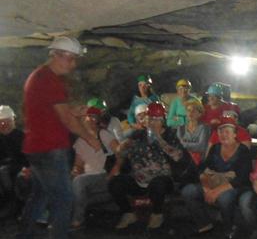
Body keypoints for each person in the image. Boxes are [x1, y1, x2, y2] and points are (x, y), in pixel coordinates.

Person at [15, 37, 101, 239]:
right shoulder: (50, 80)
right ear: (57, 54)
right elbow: (65, 120)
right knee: (63, 199)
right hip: (48, 148)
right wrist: (90, 137)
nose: (72, 64)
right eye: (70, 58)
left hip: (38, 146)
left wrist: (72, 111)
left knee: (39, 197)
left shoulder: (40, 76)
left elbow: (54, 111)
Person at [109, 101, 183, 231]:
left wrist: (159, 139)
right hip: (140, 180)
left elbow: (177, 156)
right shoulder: (137, 134)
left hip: (162, 179)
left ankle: (157, 213)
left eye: (157, 119)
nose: (153, 122)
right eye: (151, 118)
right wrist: (122, 147)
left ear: (163, 120)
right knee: (115, 183)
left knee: (158, 183)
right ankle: (128, 213)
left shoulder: (171, 135)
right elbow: (122, 153)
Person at [181, 117, 252, 236]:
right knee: (188, 191)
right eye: (220, 131)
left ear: (235, 134)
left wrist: (216, 191)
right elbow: (202, 167)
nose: (223, 135)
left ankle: (229, 228)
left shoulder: (243, 150)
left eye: (227, 131)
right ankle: (203, 223)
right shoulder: (215, 148)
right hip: (213, 182)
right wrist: (206, 188)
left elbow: (242, 178)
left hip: (234, 186)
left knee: (224, 198)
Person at [71, 100, 118, 228]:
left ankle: (77, 219)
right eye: (88, 117)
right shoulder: (81, 140)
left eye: (93, 117)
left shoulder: (103, 134)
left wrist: (114, 171)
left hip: (102, 176)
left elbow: (120, 152)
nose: (90, 120)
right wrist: (75, 170)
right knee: (70, 181)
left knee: (79, 182)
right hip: (87, 178)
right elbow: (78, 164)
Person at [0, 105, 27, 221]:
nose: (3, 124)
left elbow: (26, 157)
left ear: (12, 121)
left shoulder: (21, 136)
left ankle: (12, 203)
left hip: (19, 166)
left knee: (4, 172)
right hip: (6, 166)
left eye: (5, 121)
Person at [176, 99, 210, 165]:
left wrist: (184, 145)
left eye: (194, 111)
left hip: (199, 162)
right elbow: (178, 146)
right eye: (188, 110)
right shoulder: (181, 127)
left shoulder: (205, 128)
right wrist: (192, 146)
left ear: (200, 113)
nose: (190, 113)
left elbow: (201, 147)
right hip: (183, 161)